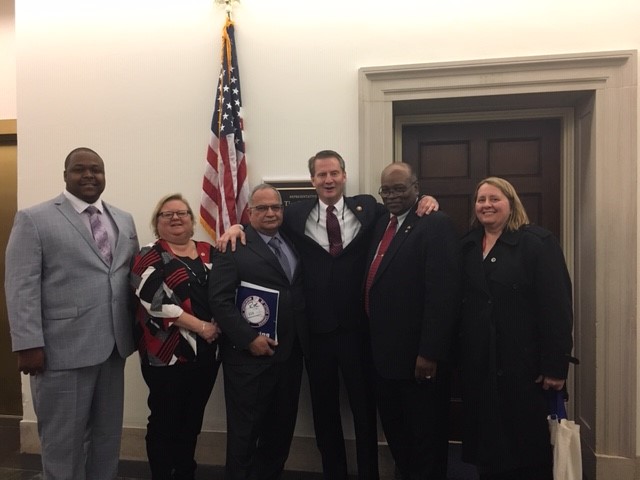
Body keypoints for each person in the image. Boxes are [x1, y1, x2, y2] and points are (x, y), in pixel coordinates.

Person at [218, 150, 437, 480]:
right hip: (314, 335)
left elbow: (401, 208)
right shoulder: (294, 215)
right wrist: (235, 226)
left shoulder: (370, 209)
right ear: (313, 181)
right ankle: (334, 472)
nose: (329, 179)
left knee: (364, 412)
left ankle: (368, 474)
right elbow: (263, 222)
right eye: (321, 175)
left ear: (344, 175)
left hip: (358, 332)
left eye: (334, 173)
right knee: (324, 413)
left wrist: (427, 200)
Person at [4, 147, 139, 480]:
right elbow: (20, 286)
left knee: (107, 438)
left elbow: (127, 278)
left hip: (113, 349)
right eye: (80, 169)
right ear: (65, 175)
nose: (89, 175)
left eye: (97, 169)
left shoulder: (123, 219)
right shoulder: (34, 218)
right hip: (59, 351)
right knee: (63, 442)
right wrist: (27, 344)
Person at [458, 177, 574, 480]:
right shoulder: (468, 246)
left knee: (526, 453)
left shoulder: (536, 243)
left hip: (525, 370)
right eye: (481, 200)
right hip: (481, 367)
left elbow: (557, 307)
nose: (486, 205)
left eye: (494, 199)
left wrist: (555, 366)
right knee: (489, 451)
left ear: (511, 204)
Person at [208, 184, 310, 480]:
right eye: (262, 208)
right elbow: (220, 300)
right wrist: (249, 338)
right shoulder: (233, 245)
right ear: (249, 212)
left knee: (280, 434)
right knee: (244, 436)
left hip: (289, 357)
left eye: (275, 207)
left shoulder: (293, 239)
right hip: (249, 361)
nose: (270, 213)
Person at [365, 163, 459, 480]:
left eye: (399, 188)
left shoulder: (435, 225)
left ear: (415, 187)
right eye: (386, 190)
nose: (392, 195)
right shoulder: (381, 224)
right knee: (398, 437)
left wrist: (430, 352)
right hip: (384, 359)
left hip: (419, 360)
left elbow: (443, 294)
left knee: (426, 441)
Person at [130, 193, 221, 480]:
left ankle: (184, 471)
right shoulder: (149, 255)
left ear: (193, 220)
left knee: (192, 420)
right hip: (166, 355)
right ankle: (162, 473)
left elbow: (227, 290)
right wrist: (203, 327)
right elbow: (155, 301)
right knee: (164, 421)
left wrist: (220, 321)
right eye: (166, 214)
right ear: (157, 224)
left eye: (181, 213)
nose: (175, 218)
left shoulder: (210, 251)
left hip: (206, 353)